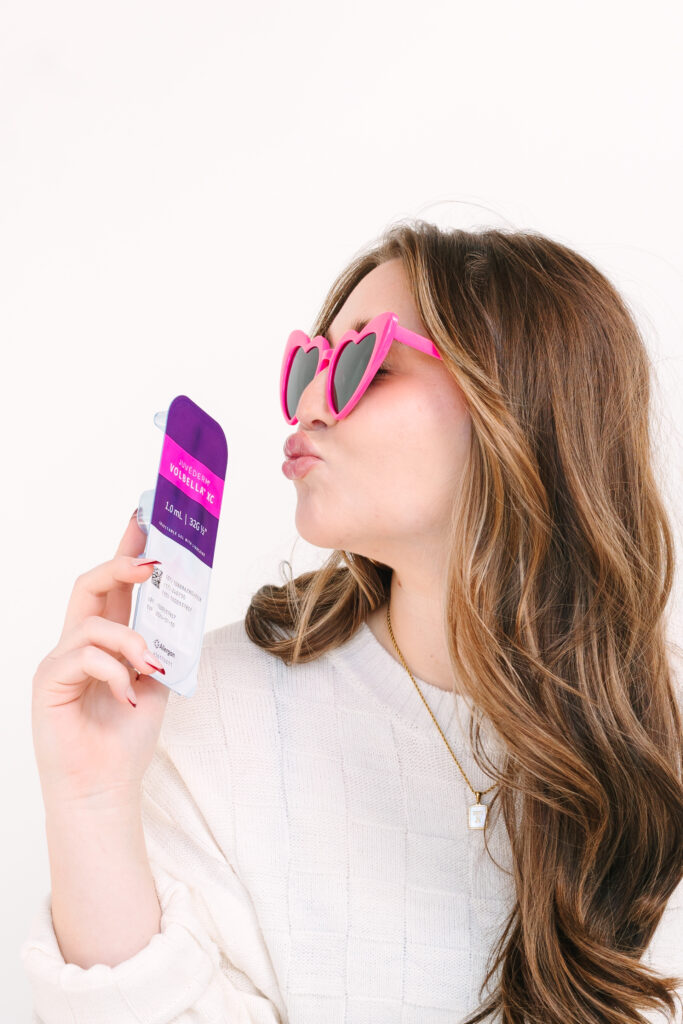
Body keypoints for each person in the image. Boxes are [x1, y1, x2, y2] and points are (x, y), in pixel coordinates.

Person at [22, 220, 683, 1024]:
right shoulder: (208, 711)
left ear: (516, 400)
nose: (307, 403)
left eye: (363, 363)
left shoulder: (661, 728)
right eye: (310, 360)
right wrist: (90, 801)